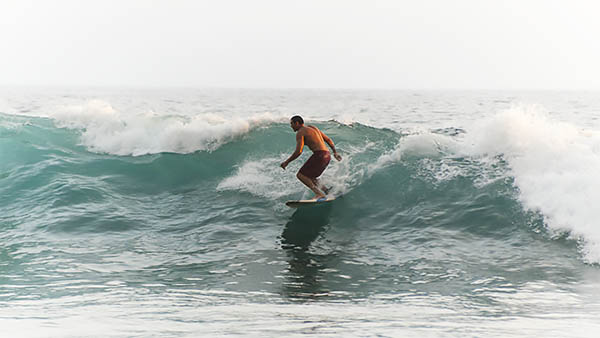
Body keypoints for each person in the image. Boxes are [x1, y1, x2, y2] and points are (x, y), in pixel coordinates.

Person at [280, 115, 342, 200]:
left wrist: (287, 162)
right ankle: (327, 191)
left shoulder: (301, 132)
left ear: (297, 123)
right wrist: (335, 152)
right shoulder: (313, 128)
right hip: (327, 155)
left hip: (319, 155)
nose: (291, 126)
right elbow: (328, 140)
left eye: (292, 124)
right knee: (311, 177)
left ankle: (319, 194)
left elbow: (299, 151)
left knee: (300, 175)